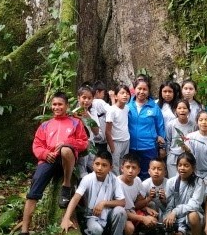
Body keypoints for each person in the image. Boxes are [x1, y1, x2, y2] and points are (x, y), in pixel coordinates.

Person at [20, 92, 88, 235]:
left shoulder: (75, 122)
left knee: (65, 150)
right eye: (54, 104)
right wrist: (45, 154)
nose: (57, 107)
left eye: (60, 104)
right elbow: (37, 145)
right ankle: (24, 230)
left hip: (66, 159)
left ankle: (66, 185)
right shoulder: (45, 125)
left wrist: (67, 143)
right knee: (33, 191)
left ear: (67, 106)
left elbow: (83, 143)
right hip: (48, 160)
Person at [60, 151, 127, 235]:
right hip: (91, 216)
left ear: (111, 168)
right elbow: (76, 198)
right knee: (96, 230)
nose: (99, 168)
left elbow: (122, 202)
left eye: (104, 165)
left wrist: (104, 203)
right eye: (97, 164)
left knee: (120, 211)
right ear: (93, 164)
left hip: (108, 213)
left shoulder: (114, 179)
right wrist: (66, 218)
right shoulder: (87, 179)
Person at [128, 77, 166, 180]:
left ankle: (147, 195)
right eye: (139, 88)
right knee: (132, 174)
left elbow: (160, 127)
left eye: (145, 89)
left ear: (148, 91)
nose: (141, 91)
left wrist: (162, 147)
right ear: (134, 89)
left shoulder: (154, 107)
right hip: (130, 147)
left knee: (147, 175)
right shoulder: (128, 105)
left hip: (148, 147)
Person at [163, 152, 205, 235]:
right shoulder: (171, 182)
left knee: (192, 215)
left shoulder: (199, 182)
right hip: (175, 216)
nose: (182, 168)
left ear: (193, 168)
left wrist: (175, 212)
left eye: (186, 165)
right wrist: (169, 216)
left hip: (192, 215)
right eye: (180, 165)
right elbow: (169, 205)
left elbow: (194, 205)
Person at [117, 153, 158, 234]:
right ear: (122, 168)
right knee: (130, 228)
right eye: (127, 167)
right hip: (122, 215)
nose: (130, 171)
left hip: (133, 211)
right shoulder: (117, 183)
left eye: (134, 168)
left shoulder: (137, 180)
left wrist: (146, 208)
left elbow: (137, 203)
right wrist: (142, 218)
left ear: (138, 170)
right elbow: (120, 212)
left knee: (153, 221)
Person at [184, 110, 207, 179]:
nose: (204, 122)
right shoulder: (190, 137)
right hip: (192, 174)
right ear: (197, 122)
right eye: (201, 120)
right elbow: (188, 158)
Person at [166, 99, 196, 178]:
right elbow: (168, 141)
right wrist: (168, 154)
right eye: (179, 108)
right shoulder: (171, 124)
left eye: (184, 108)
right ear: (175, 110)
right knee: (173, 181)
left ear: (189, 110)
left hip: (187, 157)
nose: (182, 110)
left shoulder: (194, 125)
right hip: (173, 158)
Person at [76, 85, 101, 177]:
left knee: (96, 167)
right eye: (84, 97)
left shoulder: (92, 112)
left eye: (89, 98)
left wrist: (88, 117)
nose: (86, 101)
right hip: (81, 146)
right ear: (78, 98)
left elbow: (96, 132)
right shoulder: (74, 113)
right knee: (82, 169)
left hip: (91, 145)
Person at [106, 84, 131, 175]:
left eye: (127, 93)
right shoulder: (111, 110)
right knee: (114, 168)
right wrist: (112, 147)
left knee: (123, 166)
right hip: (115, 142)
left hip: (126, 141)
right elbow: (107, 131)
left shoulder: (127, 108)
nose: (125, 95)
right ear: (116, 96)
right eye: (122, 93)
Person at [92, 80, 111, 154]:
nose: (104, 95)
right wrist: (113, 98)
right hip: (100, 140)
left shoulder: (91, 102)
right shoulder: (99, 102)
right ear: (97, 92)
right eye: (103, 93)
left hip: (92, 139)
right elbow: (112, 110)